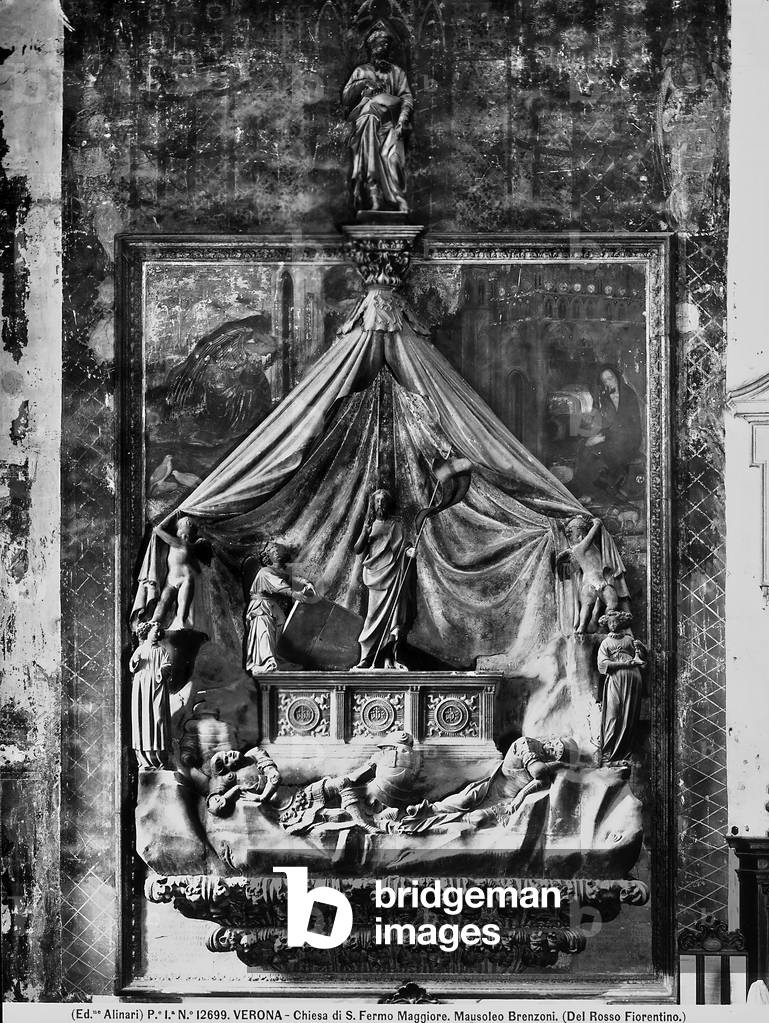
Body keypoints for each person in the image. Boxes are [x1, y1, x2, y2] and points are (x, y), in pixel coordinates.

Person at [342, 22, 414, 213]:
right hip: (368, 122)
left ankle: (398, 198)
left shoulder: (397, 73)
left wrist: (402, 121)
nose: (384, 48)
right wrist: (364, 83)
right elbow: (346, 97)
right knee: (369, 144)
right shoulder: (361, 71)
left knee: (392, 159)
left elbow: (406, 98)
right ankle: (374, 196)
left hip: (391, 123)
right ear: (372, 48)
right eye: (381, 44)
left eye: (387, 45)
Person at [351, 488, 415, 670]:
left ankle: (389, 658)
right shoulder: (369, 525)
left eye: (383, 501)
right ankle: (366, 658)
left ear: (388, 504)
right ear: (373, 504)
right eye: (377, 501)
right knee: (372, 617)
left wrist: (409, 552)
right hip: (375, 575)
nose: (380, 504)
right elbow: (357, 549)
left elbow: (403, 547)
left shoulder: (395, 525)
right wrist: (365, 533)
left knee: (392, 618)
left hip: (392, 575)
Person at [244, 540, 317, 675]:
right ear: (267, 556)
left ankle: (275, 659)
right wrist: (294, 593)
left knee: (279, 631)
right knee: (264, 631)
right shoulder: (265, 572)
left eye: (278, 549)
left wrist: (307, 583)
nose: (276, 551)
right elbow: (278, 584)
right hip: (261, 606)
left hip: (272, 606)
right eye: (272, 549)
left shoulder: (281, 572)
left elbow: (291, 580)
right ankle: (266, 662)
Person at [578, 365, 642, 499]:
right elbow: (601, 423)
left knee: (605, 455)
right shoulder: (604, 397)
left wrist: (603, 439)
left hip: (629, 440)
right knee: (586, 449)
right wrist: (594, 437)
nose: (608, 382)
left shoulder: (628, 395)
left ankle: (603, 492)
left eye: (610, 378)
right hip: (611, 438)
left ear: (616, 377)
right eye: (605, 381)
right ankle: (589, 492)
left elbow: (632, 426)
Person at [556, 514, 622, 635]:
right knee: (611, 603)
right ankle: (602, 627)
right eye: (581, 533)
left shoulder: (582, 549)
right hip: (598, 581)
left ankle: (584, 628)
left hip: (588, 583)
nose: (583, 536)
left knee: (588, 607)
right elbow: (592, 534)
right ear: (579, 535)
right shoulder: (579, 548)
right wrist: (596, 524)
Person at [596, 609, 647, 765]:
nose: (613, 625)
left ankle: (624, 755)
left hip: (633, 680)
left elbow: (642, 660)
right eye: (610, 622)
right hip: (616, 679)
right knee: (613, 715)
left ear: (621, 622)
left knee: (629, 716)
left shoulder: (629, 640)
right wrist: (624, 664)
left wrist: (641, 649)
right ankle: (608, 755)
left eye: (615, 622)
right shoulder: (606, 643)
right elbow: (602, 665)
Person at [151, 515, 212, 632]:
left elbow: (158, 530)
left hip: (185, 579)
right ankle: (153, 623)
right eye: (182, 533)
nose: (184, 537)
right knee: (163, 602)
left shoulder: (180, 543)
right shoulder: (186, 546)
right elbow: (197, 568)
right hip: (171, 579)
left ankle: (179, 624)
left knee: (182, 606)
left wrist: (173, 515)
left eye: (187, 535)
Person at [129, 621, 172, 769]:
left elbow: (167, 665)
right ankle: (145, 759)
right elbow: (132, 666)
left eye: (159, 631)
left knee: (159, 718)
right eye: (155, 631)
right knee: (143, 718)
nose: (158, 634)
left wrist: (162, 671)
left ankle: (160, 757)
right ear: (147, 633)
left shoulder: (162, 651)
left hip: (157, 687)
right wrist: (135, 662)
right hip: (142, 687)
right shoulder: (141, 649)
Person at [205, 745, 281, 817]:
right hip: (268, 810)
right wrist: (220, 799)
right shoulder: (234, 778)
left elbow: (275, 776)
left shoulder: (255, 752)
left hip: (282, 793)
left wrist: (261, 798)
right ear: (230, 770)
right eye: (227, 760)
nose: (230, 754)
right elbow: (218, 798)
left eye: (226, 753)